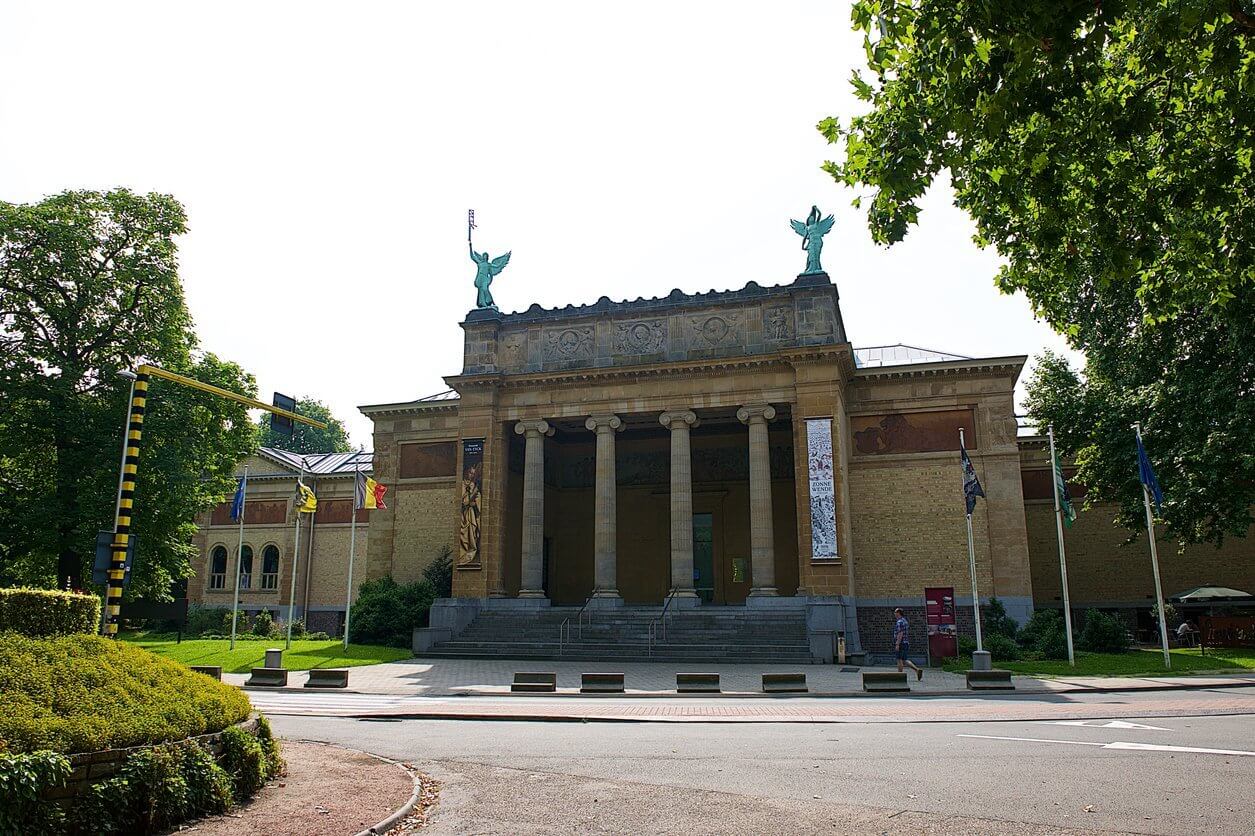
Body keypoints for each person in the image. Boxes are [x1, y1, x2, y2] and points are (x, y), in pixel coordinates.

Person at [893, 607, 923, 681]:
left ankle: (899, 677)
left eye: (895, 612)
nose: (894, 613)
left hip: (901, 643)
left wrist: (897, 644)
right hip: (906, 643)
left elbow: (900, 633)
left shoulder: (899, 622)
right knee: (904, 660)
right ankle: (917, 670)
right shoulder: (905, 621)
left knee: (899, 659)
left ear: (898, 613)